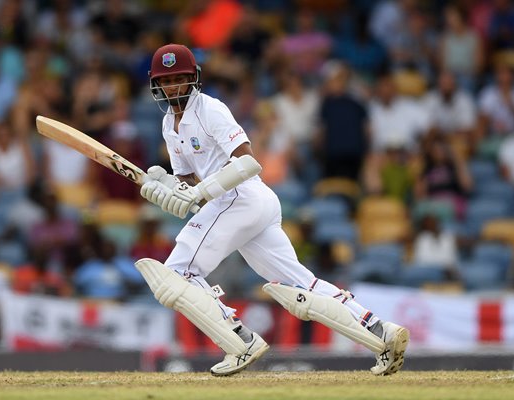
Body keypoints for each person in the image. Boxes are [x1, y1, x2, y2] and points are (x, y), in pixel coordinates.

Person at [135, 44, 409, 376]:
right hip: (244, 204)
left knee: (177, 273)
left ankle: (241, 342)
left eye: (180, 78)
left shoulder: (211, 110)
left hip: (241, 197)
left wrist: (198, 192)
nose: (174, 87)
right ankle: (382, 334)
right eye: (167, 80)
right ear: (156, 84)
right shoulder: (169, 124)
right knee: (300, 285)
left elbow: (248, 161)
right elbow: (188, 182)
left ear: (194, 79)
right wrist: (165, 184)